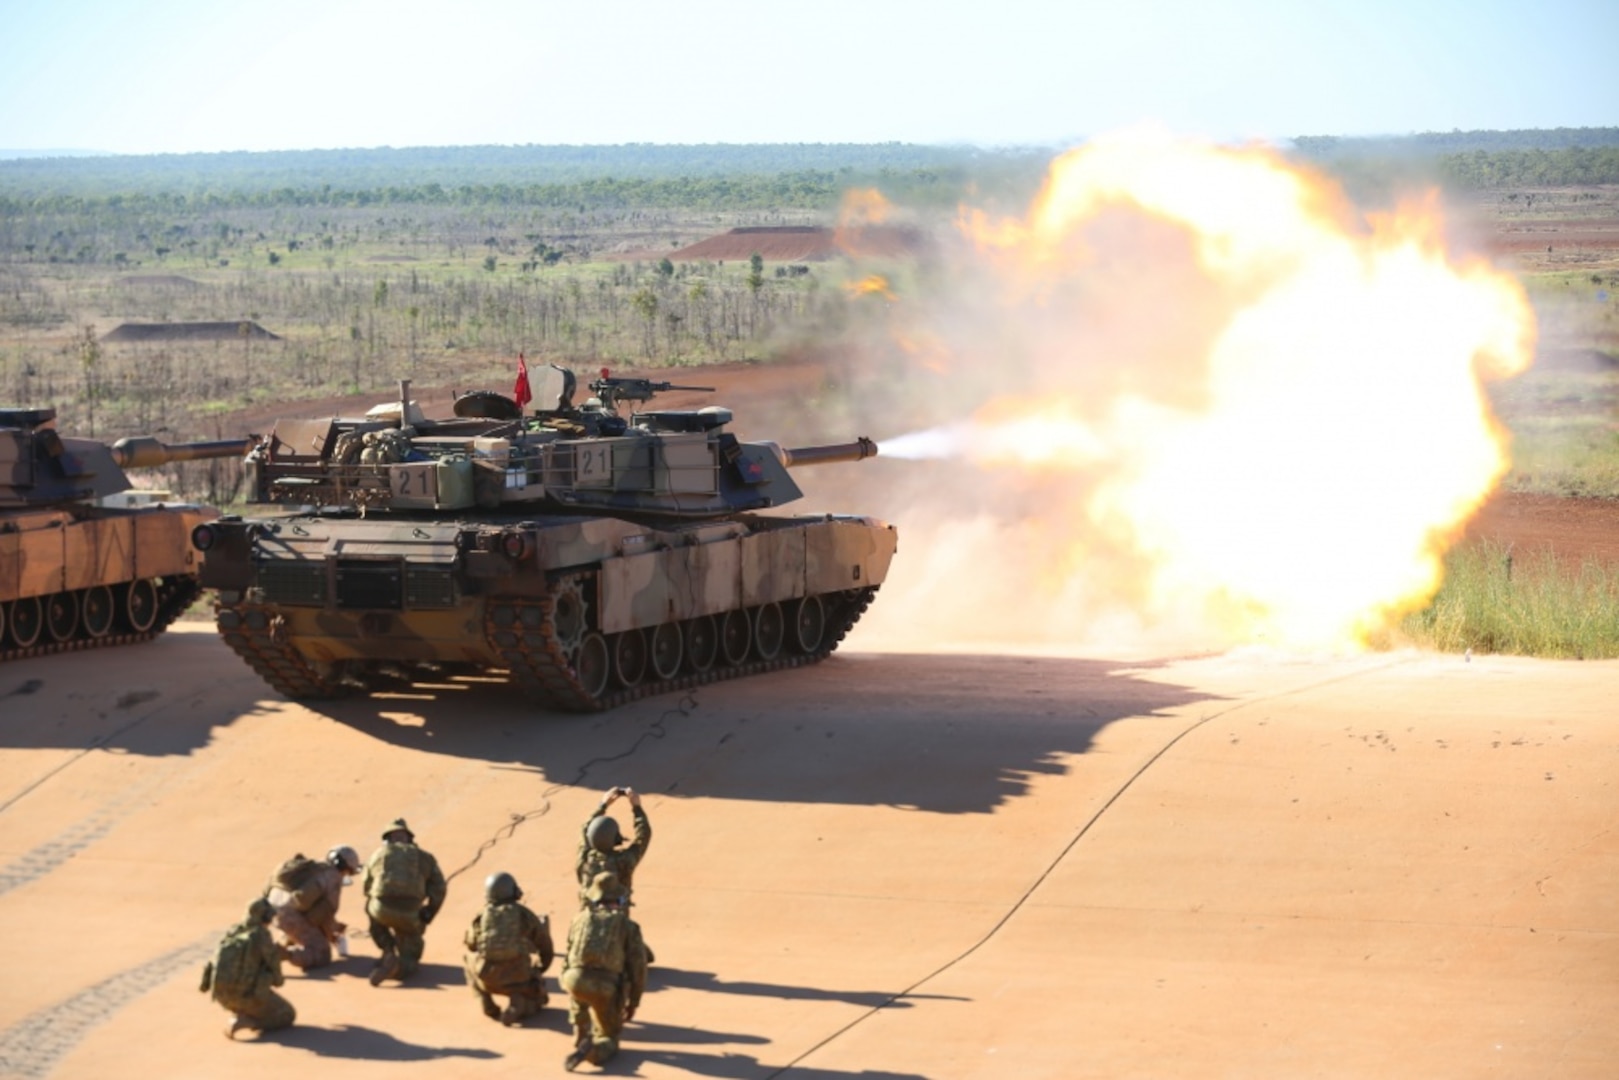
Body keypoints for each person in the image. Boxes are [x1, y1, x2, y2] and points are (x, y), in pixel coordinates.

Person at [560, 872, 647, 1072]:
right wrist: (633, 1001)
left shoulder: (579, 919)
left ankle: (580, 1028)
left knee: (578, 986)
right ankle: (594, 1050)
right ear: (619, 899)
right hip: (604, 985)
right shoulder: (627, 926)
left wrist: (565, 980)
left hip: (573, 979)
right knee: (609, 1036)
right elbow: (638, 968)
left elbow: (569, 953)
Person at [463, 871, 555, 1025]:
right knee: (538, 999)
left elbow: (471, 945)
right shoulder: (523, 914)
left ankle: (486, 1001)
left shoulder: (482, 915)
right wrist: (540, 969)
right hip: (518, 977)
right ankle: (518, 1002)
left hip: (487, 977)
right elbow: (545, 945)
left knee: (467, 961)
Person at [361, 818, 447, 985]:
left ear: (387, 840)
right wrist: (429, 911)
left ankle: (387, 951)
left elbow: (366, 886)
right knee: (411, 955)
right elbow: (439, 889)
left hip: (381, 910)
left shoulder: (377, 855)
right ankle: (397, 967)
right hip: (410, 914)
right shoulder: (425, 857)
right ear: (410, 838)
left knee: (371, 906)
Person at [200, 897, 294, 1039]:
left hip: (221, 995)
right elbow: (275, 970)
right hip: (245, 995)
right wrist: (276, 977)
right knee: (287, 1014)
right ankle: (246, 1021)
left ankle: (242, 1012)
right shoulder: (260, 935)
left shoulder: (234, 931)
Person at [265, 845, 361, 970]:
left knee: (304, 926)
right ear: (346, 869)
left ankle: (286, 940)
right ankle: (280, 953)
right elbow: (321, 915)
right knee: (322, 954)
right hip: (289, 915)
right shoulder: (333, 878)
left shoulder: (315, 865)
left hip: (271, 908)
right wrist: (334, 931)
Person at [576, 786, 651, 899]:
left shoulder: (585, 859)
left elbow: (586, 829)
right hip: (618, 915)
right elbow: (643, 835)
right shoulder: (625, 860)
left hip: (588, 915)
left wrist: (603, 804)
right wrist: (637, 807)